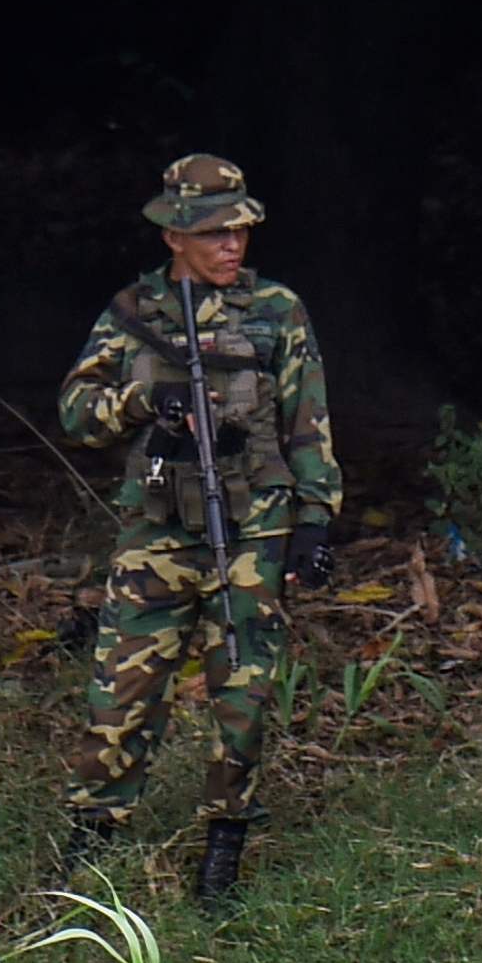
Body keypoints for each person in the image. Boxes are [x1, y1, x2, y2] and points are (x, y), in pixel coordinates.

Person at [54, 155, 338, 905]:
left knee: (243, 691)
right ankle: (91, 840)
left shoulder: (276, 311)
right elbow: (77, 412)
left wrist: (315, 521)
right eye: (213, 233)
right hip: (157, 531)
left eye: (239, 231)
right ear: (174, 236)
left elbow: (308, 423)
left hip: (254, 528)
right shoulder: (133, 313)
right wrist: (146, 401)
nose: (230, 245)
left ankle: (225, 845)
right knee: (121, 690)